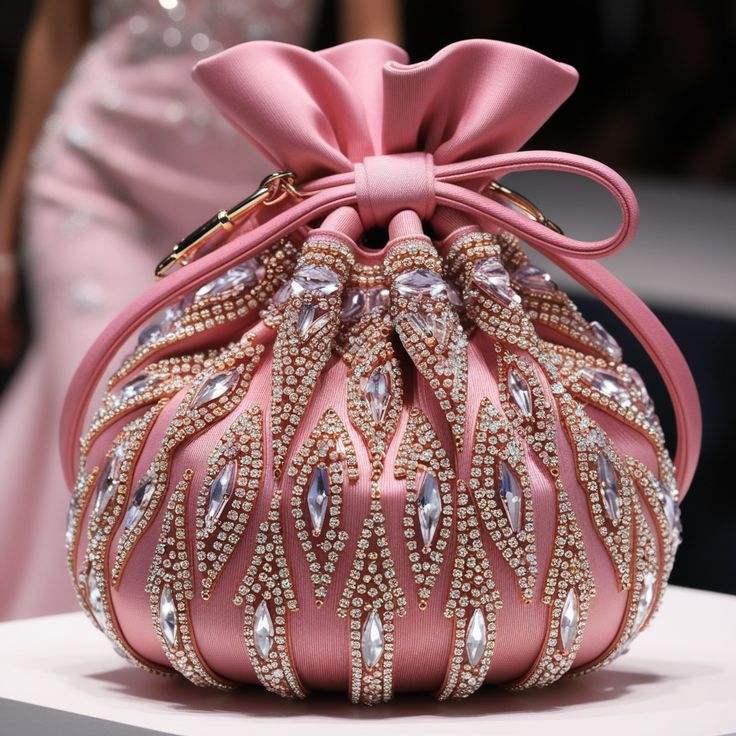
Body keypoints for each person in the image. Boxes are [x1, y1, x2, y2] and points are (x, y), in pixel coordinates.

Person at [0, 0, 401, 620]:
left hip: (256, 203)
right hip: (96, 178)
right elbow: (55, 36)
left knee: (219, 416)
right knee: (108, 393)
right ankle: (90, 621)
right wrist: (2, 240)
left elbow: (374, 51)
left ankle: (200, 617)